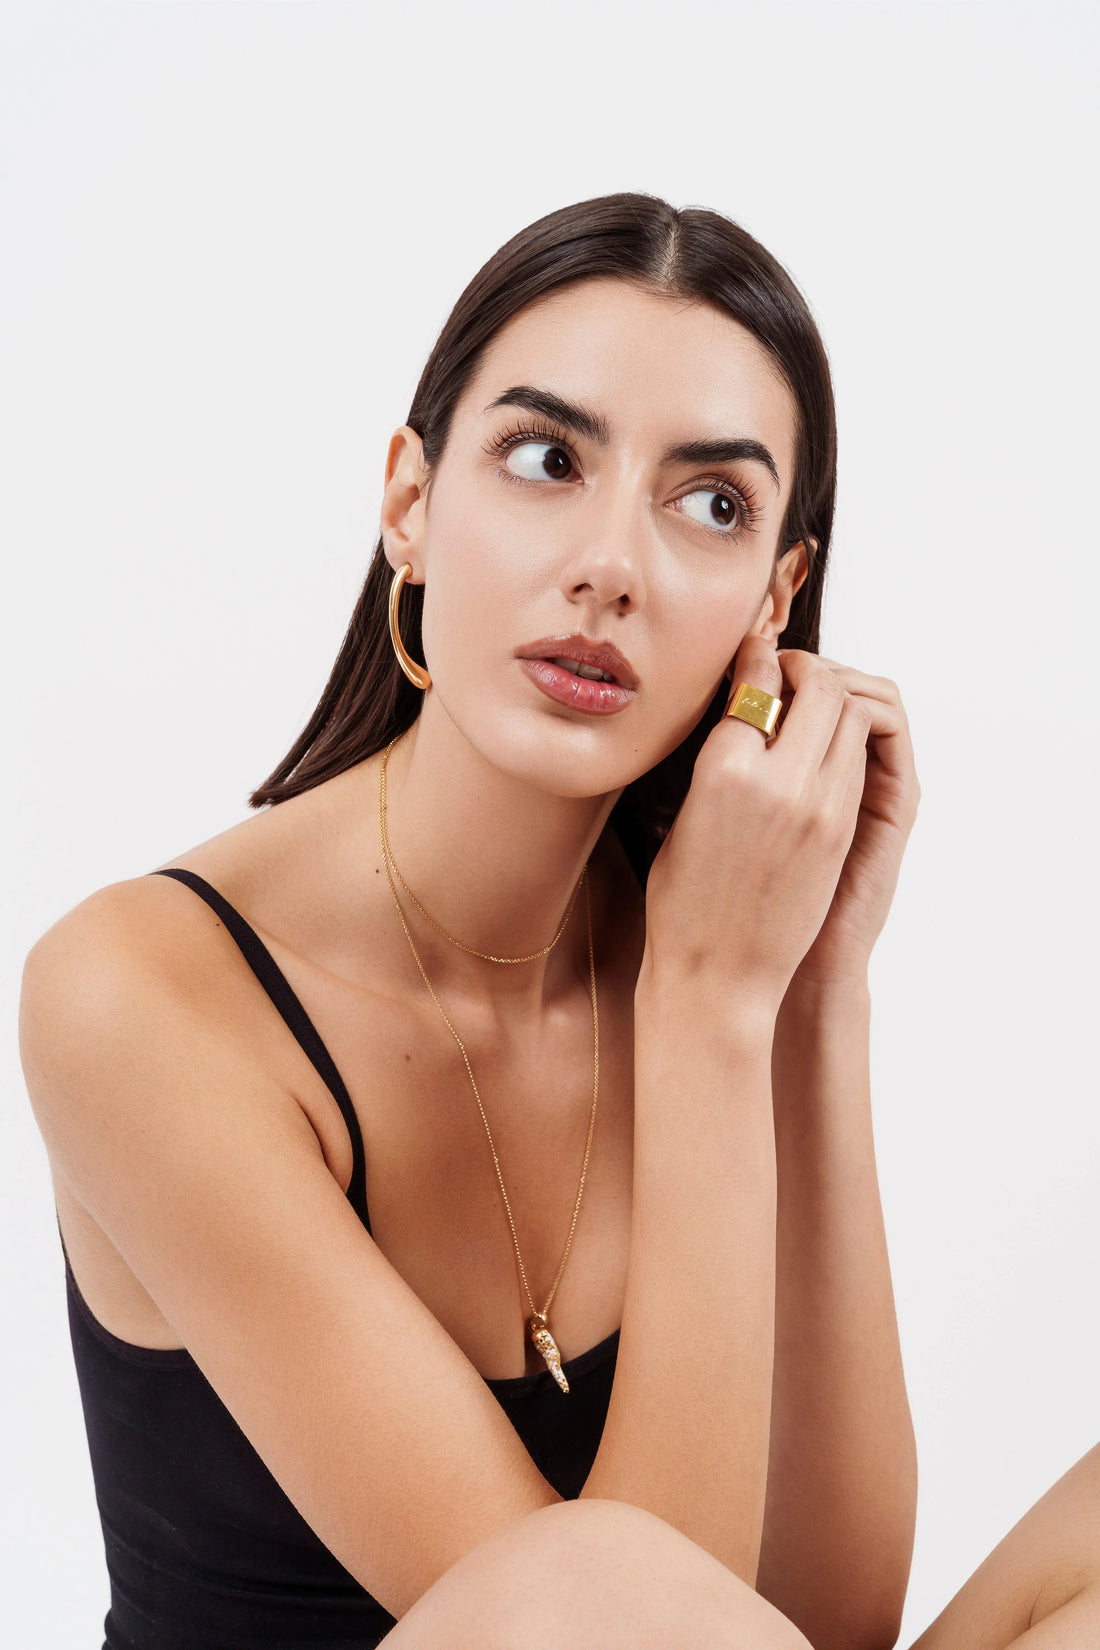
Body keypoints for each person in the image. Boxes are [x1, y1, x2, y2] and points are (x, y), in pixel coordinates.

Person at [16, 191, 1097, 1650]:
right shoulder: (139, 994)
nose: (614, 566)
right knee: (584, 1576)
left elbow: (823, 1623)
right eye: (545, 459)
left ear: (778, 593)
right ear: (411, 498)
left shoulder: (711, 942)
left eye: (711, 505)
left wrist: (811, 985)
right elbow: (626, 1624)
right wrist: (713, 1007)